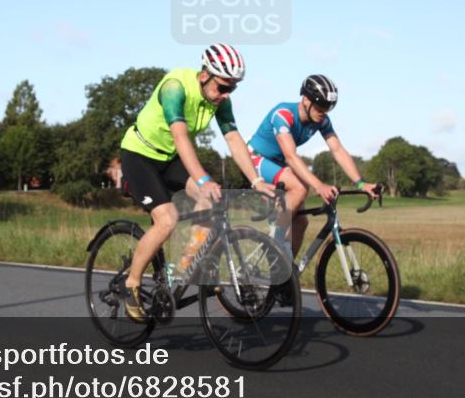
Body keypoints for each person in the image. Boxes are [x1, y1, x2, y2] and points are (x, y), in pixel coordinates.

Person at [119, 43, 274, 322]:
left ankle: (185, 266)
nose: (226, 94)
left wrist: (256, 179)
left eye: (233, 88)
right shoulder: (175, 87)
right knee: (167, 219)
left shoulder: (220, 100)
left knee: (212, 200)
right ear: (204, 76)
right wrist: (202, 179)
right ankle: (131, 283)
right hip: (140, 156)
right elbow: (180, 136)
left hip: (169, 158)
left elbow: (233, 138)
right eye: (223, 87)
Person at [246, 75, 379, 258]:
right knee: (300, 188)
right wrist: (319, 186)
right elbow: (291, 156)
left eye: (328, 108)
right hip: (255, 158)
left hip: (278, 163)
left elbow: (338, 149)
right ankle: (274, 246)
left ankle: (286, 272)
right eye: (320, 107)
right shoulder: (283, 114)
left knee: (301, 222)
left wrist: (360, 183)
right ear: (306, 100)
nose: (323, 112)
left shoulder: (321, 120)